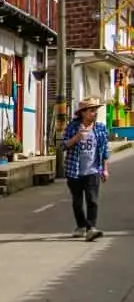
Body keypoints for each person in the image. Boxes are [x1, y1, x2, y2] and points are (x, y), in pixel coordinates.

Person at [61, 96, 110, 241]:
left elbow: (104, 150)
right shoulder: (73, 127)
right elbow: (63, 146)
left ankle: (91, 228)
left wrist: (105, 169)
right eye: (91, 111)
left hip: (93, 171)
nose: (94, 113)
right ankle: (81, 225)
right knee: (77, 202)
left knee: (92, 200)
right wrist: (76, 138)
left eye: (95, 111)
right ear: (83, 112)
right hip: (74, 171)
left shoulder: (100, 128)